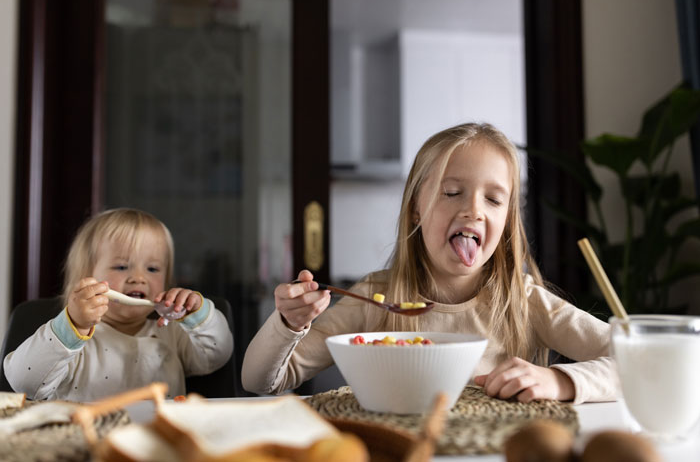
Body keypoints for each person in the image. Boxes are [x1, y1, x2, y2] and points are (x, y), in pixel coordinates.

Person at [242, 122, 617, 404]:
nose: (473, 210)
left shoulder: (524, 301)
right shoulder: (375, 298)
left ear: (506, 222)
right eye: (451, 192)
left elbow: (639, 362)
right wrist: (289, 322)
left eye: (493, 200)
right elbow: (261, 381)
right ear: (417, 209)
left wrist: (560, 382)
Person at [4, 208, 233, 401]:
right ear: (86, 278)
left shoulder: (174, 334)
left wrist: (196, 314)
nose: (138, 278)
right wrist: (71, 325)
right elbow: (25, 383)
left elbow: (217, 354)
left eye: (152, 269)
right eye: (122, 267)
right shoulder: (68, 340)